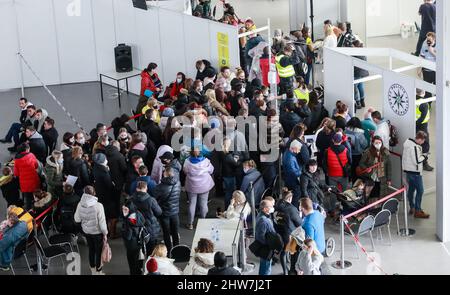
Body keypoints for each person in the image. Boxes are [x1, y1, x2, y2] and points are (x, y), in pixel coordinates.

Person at [74, 186, 108, 275]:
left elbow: (77, 219)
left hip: (87, 232)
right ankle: (99, 271)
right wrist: (105, 233)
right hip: (97, 233)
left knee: (91, 250)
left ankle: (93, 271)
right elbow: (102, 222)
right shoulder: (99, 206)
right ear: (94, 193)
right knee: (99, 252)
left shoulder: (79, 204)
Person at [151, 167, 181, 253]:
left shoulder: (160, 187)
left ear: (165, 174)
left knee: (166, 233)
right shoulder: (178, 183)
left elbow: (155, 199)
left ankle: (169, 251)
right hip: (175, 212)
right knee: (175, 232)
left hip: (164, 213)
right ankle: (177, 250)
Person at [184, 149, 215, 230]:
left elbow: (185, 171)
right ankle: (203, 222)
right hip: (204, 185)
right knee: (204, 204)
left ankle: (190, 224)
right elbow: (211, 170)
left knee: (192, 204)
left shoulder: (187, 161)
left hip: (192, 186)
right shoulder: (206, 161)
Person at [274, 189, 302, 275]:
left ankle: (285, 270)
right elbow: (299, 222)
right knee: (290, 251)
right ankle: (290, 270)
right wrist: (300, 215)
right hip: (289, 233)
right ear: (290, 198)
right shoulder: (291, 208)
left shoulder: (277, 204)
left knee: (283, 251)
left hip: (279, 231)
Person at [402, 131, 430, 219]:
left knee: (411, 190)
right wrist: (425, 156)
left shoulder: (408, 143)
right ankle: (417, 211)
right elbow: (417, 161)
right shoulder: (414, 147)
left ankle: (412, 207)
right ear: (420, 139)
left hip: (409, 171)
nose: (423, 143)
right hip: (415, 173)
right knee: (420, 191)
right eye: (423, 141)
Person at [130, 181, 162, 255]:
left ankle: (139, 266)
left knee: (137, 253)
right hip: (150, 229)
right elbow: (159, 212)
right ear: (145, 188)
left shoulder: (130, 200)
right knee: (151, 252)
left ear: (137, 188)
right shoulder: (151, 200)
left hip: (136, 229)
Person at [92, 153, 118, 239]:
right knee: (112, 215)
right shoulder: (104, 172)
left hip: (99, 194)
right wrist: (113, 184)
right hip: (107, 196)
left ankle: (105, 231)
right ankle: (112, 233)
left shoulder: (96, 167)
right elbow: (109, 185)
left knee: (104, 214)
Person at [358, 136, 392, 200]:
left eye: (379, 142)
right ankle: (371, 206)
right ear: (373, 143)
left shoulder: (385, 152)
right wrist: (366, 168)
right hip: (370, 177)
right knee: (370, 194)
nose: (378, 144)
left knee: (381, 194)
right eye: (376, 143)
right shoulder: (368, 152)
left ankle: (378, 207)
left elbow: (389, 166)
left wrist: (389, 179)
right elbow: (361, 163)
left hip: (382, 178)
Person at [121, 199, 146, 275]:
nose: (123, 210)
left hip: (131, 244)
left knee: (132, 262)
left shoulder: (128, 220)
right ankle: (140, 271)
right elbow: (144, 221)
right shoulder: (138, 214)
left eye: (125, 209)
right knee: (139, 259)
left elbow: (127, 236)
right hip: (139, 242)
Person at [13, 143, 41, 210]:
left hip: (25, 185)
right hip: (34, 181)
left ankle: (28, 213)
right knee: (37, 197)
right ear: (26, 149)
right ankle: (37, 210)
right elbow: (36, 166)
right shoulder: (31, 155)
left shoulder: (17, 160)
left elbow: (16, 174)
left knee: (27, 199)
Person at [255, 199, 277, 275]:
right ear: (265, 209)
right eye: (270, 206)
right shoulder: (263, 220)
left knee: (264, 266)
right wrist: (270, 245)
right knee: (266, 268)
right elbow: (261, 236)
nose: (272, 207)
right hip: (266, 248)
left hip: (266, 246)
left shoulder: (263, 216)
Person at [345, 117, 369, 182]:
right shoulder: (359, 134)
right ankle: (355, 183)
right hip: (357, 155)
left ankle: (350, 178)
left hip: (347, 153)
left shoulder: (345, 131)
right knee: (356, 170)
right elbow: (364, 144)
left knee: (350, 168)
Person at [416, 89, 433, 171]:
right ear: (424, 92)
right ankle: (424, 163)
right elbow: (422, 118)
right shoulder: (424, 103)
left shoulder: (413, 100)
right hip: (422, 126)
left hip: (414, 125)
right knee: (425, 145)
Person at [282, 141, 303, 207]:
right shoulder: (290, 157)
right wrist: (301, 173)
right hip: (293, 181)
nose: (299, 151)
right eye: (299, 149)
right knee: (296, 198)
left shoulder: (288, 153)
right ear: (294, 148)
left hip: (290, 179)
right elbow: (293, 171)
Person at [353, 40, 369, 109]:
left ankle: (358, 102)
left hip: (357, 73)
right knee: (360, 86)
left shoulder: (355, 53)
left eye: (352, 46)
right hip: (363, 72)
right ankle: (363, 101)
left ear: (355, 46)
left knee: (355, 87)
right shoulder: (362, 51)